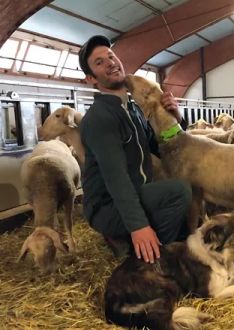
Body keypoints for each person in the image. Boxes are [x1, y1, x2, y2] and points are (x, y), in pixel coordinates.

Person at [78, 35, 192, 263]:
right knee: (178, 191)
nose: (110, 62)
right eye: (99, 62)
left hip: (138, 193)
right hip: (107, 206)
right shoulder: (100, 117)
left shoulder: (133, 110)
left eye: (111, 56)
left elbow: (157, 147)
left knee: (187, 233)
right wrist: (139, 227)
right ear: (91, 78)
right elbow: (116, 179)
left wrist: (176, 119)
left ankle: (144, 243)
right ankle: (153, 260)